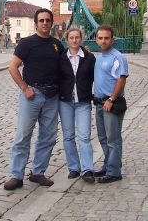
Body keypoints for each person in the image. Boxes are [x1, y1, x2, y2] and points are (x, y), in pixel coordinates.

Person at [3, 8, 64, 190]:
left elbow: (66, 65)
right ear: (36, 23)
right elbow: (13, 67)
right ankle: (16, 175)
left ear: (51, 23)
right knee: (23, 136)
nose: (45, 23)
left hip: (52, 96)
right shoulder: (27, 43)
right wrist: (24, 88)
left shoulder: (57, 45)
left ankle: (38, 172)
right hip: (32, 95)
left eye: (47, 20)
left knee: (48, 137)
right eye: (41, 20)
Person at [58, 27, 95, 183]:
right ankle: (74, 168)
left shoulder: (89, 58)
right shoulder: (60, 57)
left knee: (85, 136)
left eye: (77, 37)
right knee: (68, 137)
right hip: (65, 102)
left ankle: (87, 170)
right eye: (71, 38)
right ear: (67, 40)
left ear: (81, 39)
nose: (74, 40)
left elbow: (95, 78)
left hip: (83, 102)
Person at [93, 25, 129, 183]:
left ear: (112, 40)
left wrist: (111, 99)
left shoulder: (118, 57)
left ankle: (114, 172)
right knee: (102, 137)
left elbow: (122, 79)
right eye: (100, 38)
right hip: (99, 103)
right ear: (96, 40)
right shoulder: (99, 57)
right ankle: (109, 165)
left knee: (113, 139)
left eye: (106, 38)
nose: (103, 41)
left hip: (111, 103)